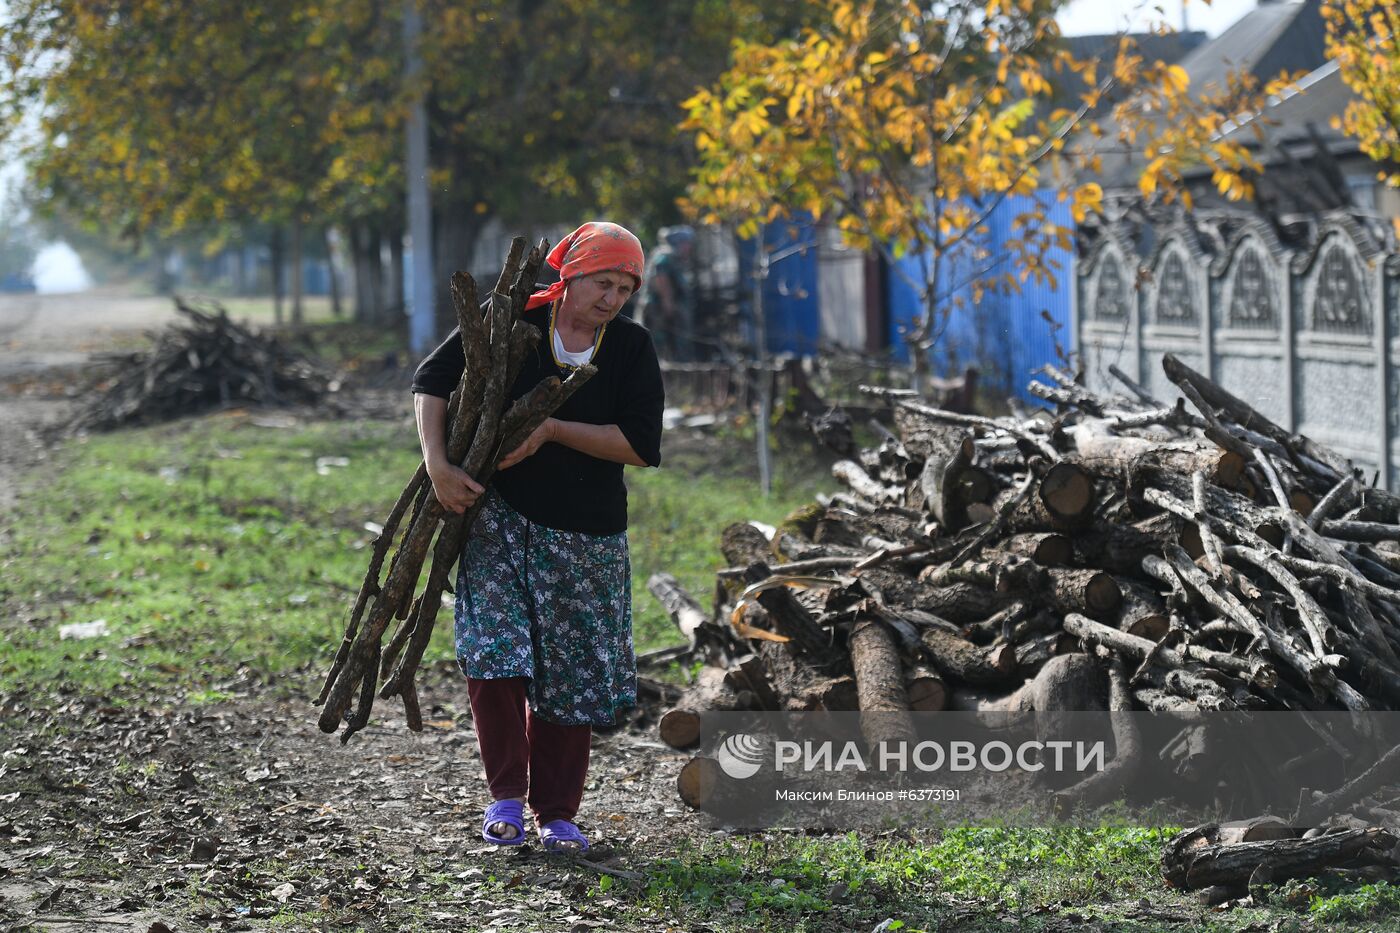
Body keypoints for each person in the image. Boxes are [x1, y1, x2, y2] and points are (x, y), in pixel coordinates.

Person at [410, 221, 664, 853]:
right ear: (569, 276)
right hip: (499, 520)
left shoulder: (630, 348)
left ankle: (557, 814)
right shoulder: (515, 324)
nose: (611, 299)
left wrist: (552, 430)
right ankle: (504, 799)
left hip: (587, 538)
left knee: (570, 676)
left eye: (624, 288)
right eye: (602, 282)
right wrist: (439, 466)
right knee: (493, 655)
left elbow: (638, 444)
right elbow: (431, 382)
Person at [640, 225, 695, 360]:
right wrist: (668, 303)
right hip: (659, 310)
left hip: (666, 309)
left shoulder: (674, 257)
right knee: (660, 345)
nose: (689, 248)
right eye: (686, 243)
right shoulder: (665, 256)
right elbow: (661, 280)